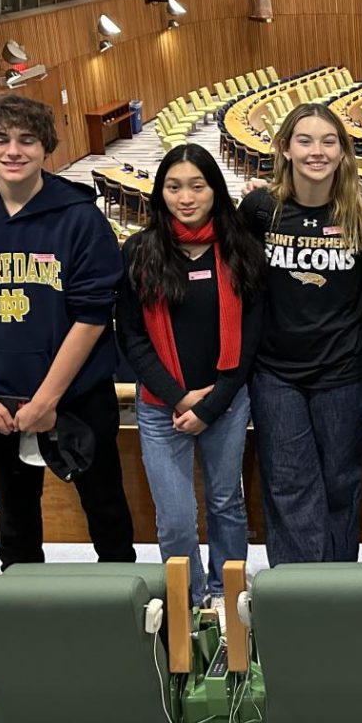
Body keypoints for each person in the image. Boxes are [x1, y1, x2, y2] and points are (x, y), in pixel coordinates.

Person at [0, 94, 135, 569]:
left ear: (46, 147)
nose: (13, 151)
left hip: (77, 399)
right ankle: (25, 627)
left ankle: (128, 623)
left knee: (106, 512)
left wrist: (47, 400)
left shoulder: (80, 219)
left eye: (27, 140)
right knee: (15, 519)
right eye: (0, 140)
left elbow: (91, 318)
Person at [116, 143, 264, 608]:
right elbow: (133, 337)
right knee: (176, 517)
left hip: (226, 400)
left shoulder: (242, 246)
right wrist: (182, 400)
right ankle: (189, 598)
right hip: (163, 407)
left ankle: (227, 593)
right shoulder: (140, 251)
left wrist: (213, 401)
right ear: (160, 193)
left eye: (197, 186)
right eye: (174, 187)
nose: (186, 197)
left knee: (226, 503)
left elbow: (252, 336)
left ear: (215, 190)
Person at [239, 103, 362, 565]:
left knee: (341, 481)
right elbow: (236, 277)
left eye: (328, 141)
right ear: (284, 147)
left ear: (343, 151)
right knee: (286, 482)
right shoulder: (260, 208)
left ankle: (336, 588)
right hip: (276, 372)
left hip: (345, 371)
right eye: (305, 140)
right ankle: (297, 594)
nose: (316, 151)